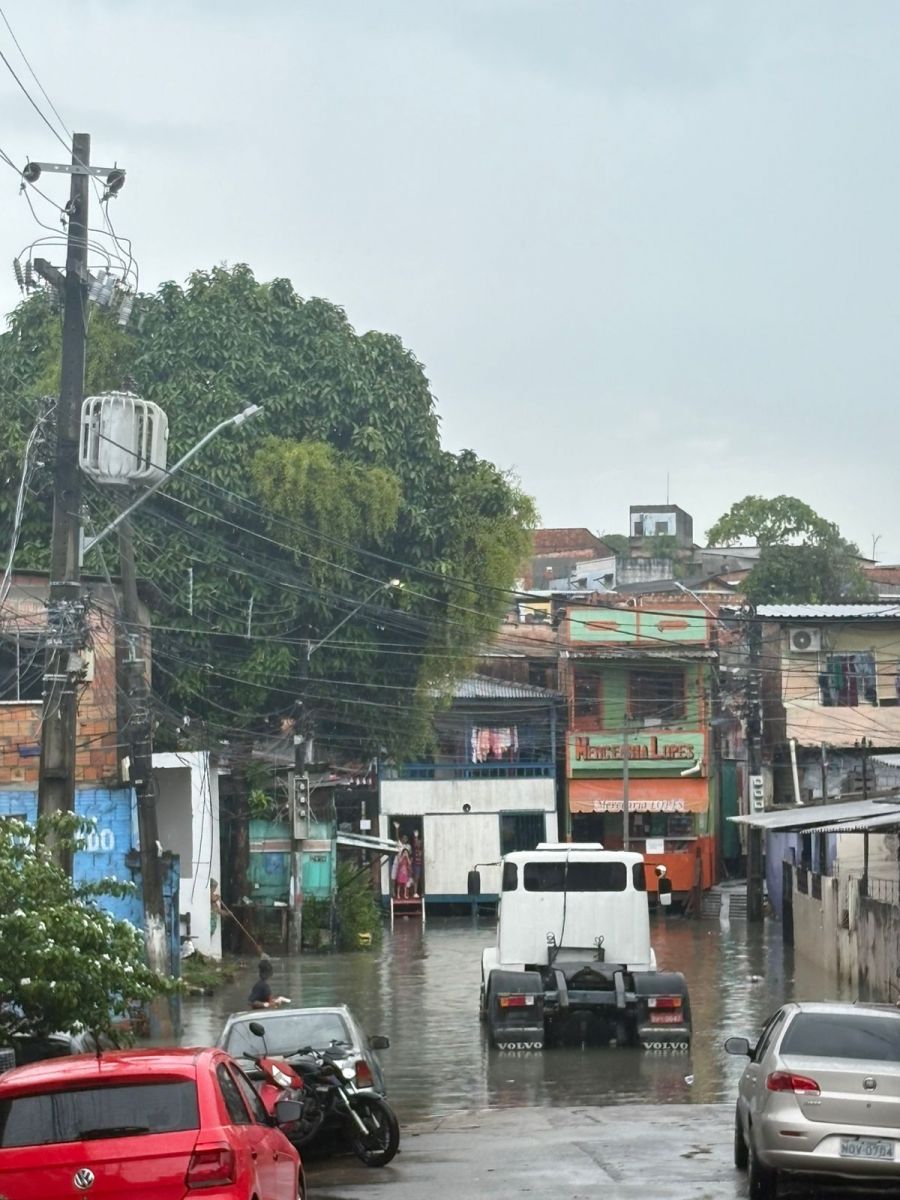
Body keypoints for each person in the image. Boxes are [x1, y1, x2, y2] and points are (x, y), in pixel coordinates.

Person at [411, 829, 423, 898]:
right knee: (416, 878)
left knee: (421, 879)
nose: (418, 843)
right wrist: (416, 836)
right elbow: (415, 843)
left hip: (422, 865)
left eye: (420, 842)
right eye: (418, 842)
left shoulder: (422, 850)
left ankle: (421, 892)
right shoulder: (415, 849)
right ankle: (415, 892)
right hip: (416, 865)